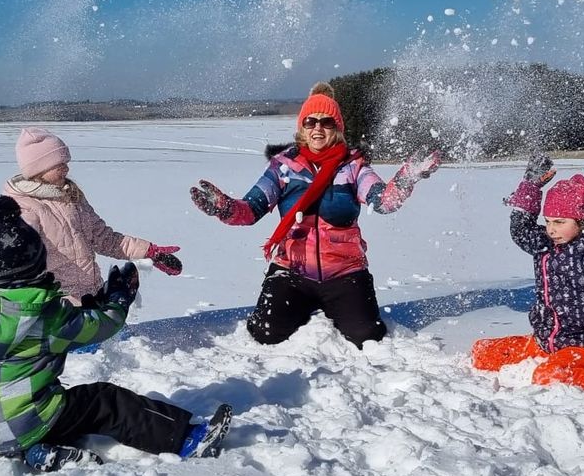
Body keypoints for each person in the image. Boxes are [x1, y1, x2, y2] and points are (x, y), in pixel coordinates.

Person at [0, 196, 231, 471]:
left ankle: (36, 451)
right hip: (27, 419)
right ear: (34, 261)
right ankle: (187, 439)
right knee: (104, 401)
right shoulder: (41, 316)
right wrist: (118, 299)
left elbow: (59, 327)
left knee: (61, 406)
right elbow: (105, 325)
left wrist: (92, 305)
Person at [188, 81, 440, 348]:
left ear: (337, 128)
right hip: (291, 272)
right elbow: (250, 209)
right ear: (302, 128)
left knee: (367, 335)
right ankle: (301, 304)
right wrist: (226, 208)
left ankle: (334, 305)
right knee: (265, 332)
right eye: (310, 121)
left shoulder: (353, 167)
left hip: (345, 271)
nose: (318, 128)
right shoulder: (282, 167)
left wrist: (407, 177)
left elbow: (383, 202)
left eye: (326, 122)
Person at [472, 155, 584, 391]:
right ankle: (550, 354)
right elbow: (521, 230)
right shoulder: (545, 243)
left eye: (560, 222)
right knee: (482, 354)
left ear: (583, 220)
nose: (551, 229)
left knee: (548, 376)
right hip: (547, 341)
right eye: (548, 221)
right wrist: (530, 186)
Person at [5, 126, 184, 304]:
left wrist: (149, 251)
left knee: (111, 322)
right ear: (39, 169)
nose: (66, 169)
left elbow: (104, 238)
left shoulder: (71, 198)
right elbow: (15, 259)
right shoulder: (23, 207)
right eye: (60, 164)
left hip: (90, 296)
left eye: (66, 162)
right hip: (56, 307)